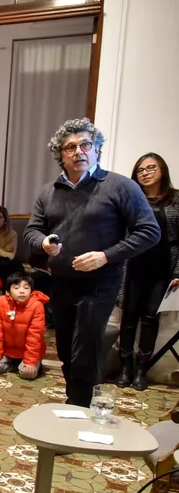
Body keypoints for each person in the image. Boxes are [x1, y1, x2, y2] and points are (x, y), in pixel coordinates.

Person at [23, 118, 160, 407]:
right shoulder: (48, 192)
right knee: (64, 350)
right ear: (60, 155)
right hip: (60, 282)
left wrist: (106, 255)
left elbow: (150, 231)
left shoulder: (120, 186)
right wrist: (43, 242)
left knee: (84, 349)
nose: (78, 151)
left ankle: (77, 409)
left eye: (85, 144)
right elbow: (31, 232)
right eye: (69, 147)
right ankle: (78, 399)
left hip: (100, 283)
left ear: (96, 149)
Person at [116, 153, 179, 390]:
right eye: (141, 170)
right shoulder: (131, 199)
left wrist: (178, 273)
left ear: (162, 169)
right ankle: (125, 367)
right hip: (132, 266)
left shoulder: (176, 200)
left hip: (163, 267)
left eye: (151, 167)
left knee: (151, 318)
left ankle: (142, 369)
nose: (145, 172)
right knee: (129, 317)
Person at [0, 271, 48, 380]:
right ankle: (15, 365)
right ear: (8, 292)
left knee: (27, 374)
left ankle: (27, 365)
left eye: (26, 288)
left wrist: (30, 361)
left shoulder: (37, 306)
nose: (22, 291)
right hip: (7, 350)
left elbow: (35, 337)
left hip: (27, 352)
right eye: (16, 287)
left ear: (31, 291)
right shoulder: (1, 302)